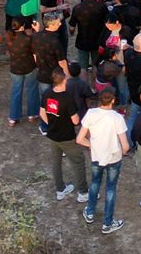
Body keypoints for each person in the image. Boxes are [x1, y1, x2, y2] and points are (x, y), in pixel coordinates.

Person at [77, 85, 130, 233]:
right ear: (112, 101)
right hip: (114, 157)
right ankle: (107, 223)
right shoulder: (117, 118)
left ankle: (90, 212)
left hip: (96, 156)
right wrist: (123, 151)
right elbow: (125, 145)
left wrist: (92, 145)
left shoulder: (91, 113)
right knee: (111, 188)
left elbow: (80, 139)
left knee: (95, 183)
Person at [41, 63, 89, 203]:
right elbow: (75, 121)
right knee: (78, 161)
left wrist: (51, 123)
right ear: (64, 81)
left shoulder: (47, 93)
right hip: (67, 136)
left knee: (56, 162)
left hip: (52, 135)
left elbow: (42, 112)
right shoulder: (67, 98)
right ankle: (83, 192)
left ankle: (60, 189)